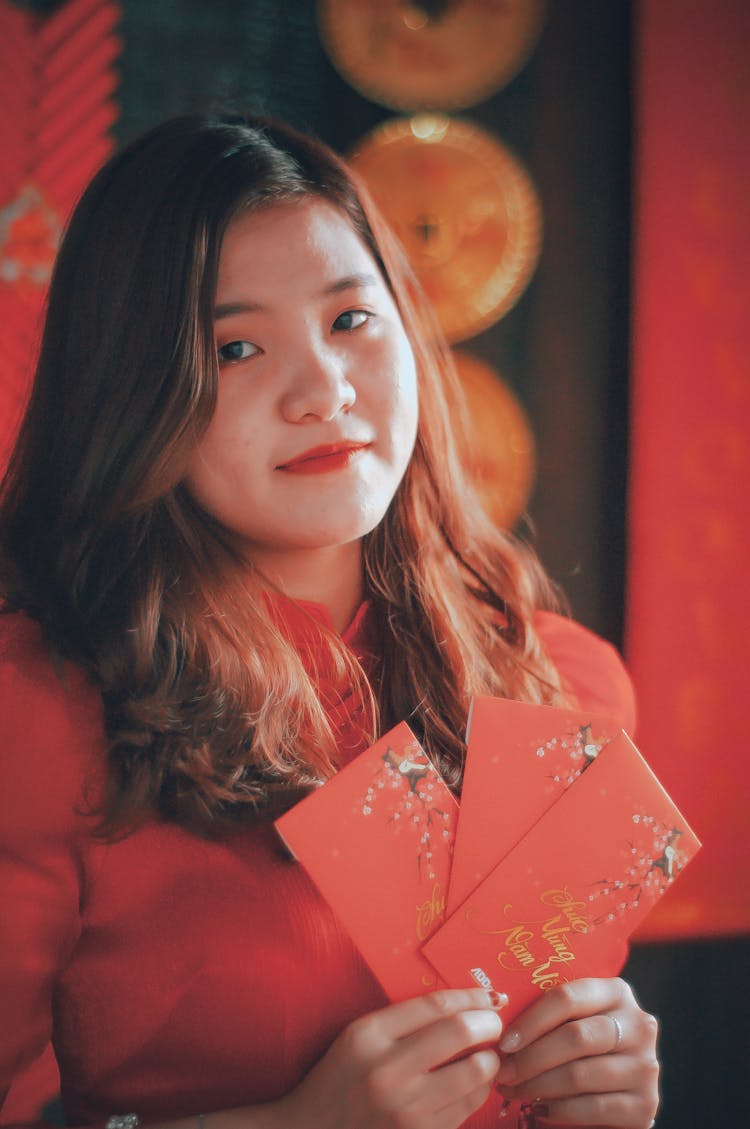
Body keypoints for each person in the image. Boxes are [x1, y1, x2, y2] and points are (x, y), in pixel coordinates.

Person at [0, 113, 659, 1129]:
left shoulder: (565, 683)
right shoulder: (44, 710)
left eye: (351, 321)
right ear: (133, 386)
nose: (323, 390)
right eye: (236, 346)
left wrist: (599, 1086)